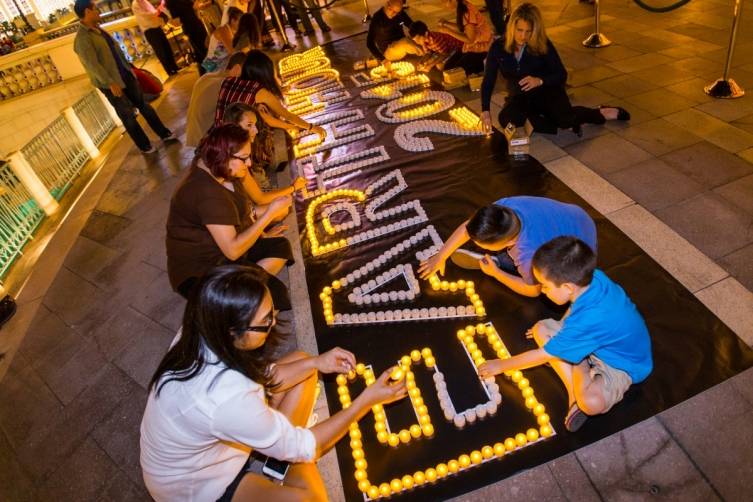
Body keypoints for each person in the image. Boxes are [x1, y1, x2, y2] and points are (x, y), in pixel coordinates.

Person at [141, 264, 408, 501]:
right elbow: (305, 446)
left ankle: (278, 450)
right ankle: (281, 453)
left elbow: (261, 378)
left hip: (220, 436)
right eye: (266, 320)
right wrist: (366, 401)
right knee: (312, 497)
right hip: (198, 485)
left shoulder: (203, 327)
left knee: (304, 363)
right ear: (233, 331)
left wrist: (317, 362)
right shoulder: (226, 397)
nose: (274, 321)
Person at [479, 237, 653, 432]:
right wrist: (563, 330)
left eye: (544, 285)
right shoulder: (592, 278)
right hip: (597, 339)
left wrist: (500, 365)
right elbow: (576, 308)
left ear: (568, 287)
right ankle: (574, 378)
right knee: (540, 329)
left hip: (621, 363)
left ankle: (576, 381)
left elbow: (543, 355)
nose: (542, 290)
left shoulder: (592, 318)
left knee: (590, 403)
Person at [166, 124, 306, 302]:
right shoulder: (207, 193)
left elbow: (243, 211)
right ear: (224, 156)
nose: (249, 163)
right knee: (274, 294)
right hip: (201, 271)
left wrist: (261, 234)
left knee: (280, 246)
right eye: (244, 158)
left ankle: (241, 291)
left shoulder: (215, 167)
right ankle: (227, 305)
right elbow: (232, 251)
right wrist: (269, 214)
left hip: (222, 251)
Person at [480, 3, 629, 137]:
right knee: (506, 119)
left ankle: (600, 112)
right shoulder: (498, 47)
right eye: (519, 30)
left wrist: (539, 80)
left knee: (565, 119)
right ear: (512, 27)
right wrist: (485, 111)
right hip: (521, 96)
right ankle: (555, 121)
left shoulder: (542, 44)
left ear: (535, 30)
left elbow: (561, 75)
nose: (523, 36)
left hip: (547, 91)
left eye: (528, 31)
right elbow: (488, 80)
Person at [418, 196, 597, 298]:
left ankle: (500, 264)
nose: (474, 243)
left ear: (509, 243)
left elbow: (533, 290)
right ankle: (498, 259)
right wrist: (440, 256)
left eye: (482, 245)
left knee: (543, 279)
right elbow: (467, 228)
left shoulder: (528, 254)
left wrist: (497, 274)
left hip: (580, 250)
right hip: (577, 216)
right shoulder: (504, 209)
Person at [73, 0, 175, 154]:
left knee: (144, 105)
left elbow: (115, 52)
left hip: (125, 74)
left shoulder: (98, 29)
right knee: (127, 116)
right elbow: (92, 65)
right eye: (95, 9)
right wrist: (110, 83)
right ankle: (145, 146)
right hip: (111, 83)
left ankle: (164, 133)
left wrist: (129, 69)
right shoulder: (82, 38)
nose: (99, 11)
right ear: (87, 12)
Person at [214, 50, 327, 139]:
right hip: (235, 143)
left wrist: (288, 126)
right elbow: (287, 115)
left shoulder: (228, 81)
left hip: (217, 136)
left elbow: (262, 116)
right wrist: (312, 127)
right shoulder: (258, 91)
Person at [186, 51, 246, 147]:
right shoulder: (226, 85)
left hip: (194, 136)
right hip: (208, 142)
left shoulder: (206, 77)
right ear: (237, 69)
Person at [434, 0, 493, 75]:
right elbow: (463, 28)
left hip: (481, 49)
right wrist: (446, 23)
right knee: (448, 69)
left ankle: (481, 69)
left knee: (456, 73)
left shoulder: (466, 11)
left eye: (445, 2)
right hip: (472, 46)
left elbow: (470, 39)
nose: (444, 5)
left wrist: (448, 31)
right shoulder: (462, 5)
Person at [366, 0, 422, 72]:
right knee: (406, 42)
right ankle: (425, 53)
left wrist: (421, 37)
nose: (394, 14)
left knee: (419, 38)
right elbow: (369, 43)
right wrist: (383, 59)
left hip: (403, 45)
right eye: (392, 11)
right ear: (387, 5)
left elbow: (412, 26)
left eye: (397, 12)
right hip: (389, 50)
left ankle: (429, 54)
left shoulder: (400, 14)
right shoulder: (377, 18)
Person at [202, 8, 261, 72]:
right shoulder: (224, 30)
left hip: (222, 65)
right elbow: (234, 52)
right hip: (212, 67)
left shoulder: (235, 32)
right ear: (233, 21)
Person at [131, 0, 180, 76]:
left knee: (166, 47)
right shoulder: (135, 4)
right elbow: (145, 16)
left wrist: (158, 12)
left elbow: (153, 12)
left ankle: (174, 66)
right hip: (149, 30)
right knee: (161, 51)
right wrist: (157, 11)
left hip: (156, 27)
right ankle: (169, 70)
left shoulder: (145, 1)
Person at [165, 0, 209, 73]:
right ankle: (209, 72)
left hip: (192, 26)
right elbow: (177, 21)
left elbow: (176, 22)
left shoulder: (170, 2)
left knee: (202, 51)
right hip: (193, 26)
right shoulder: (171, 2)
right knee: (203, 51)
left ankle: (207, 73)